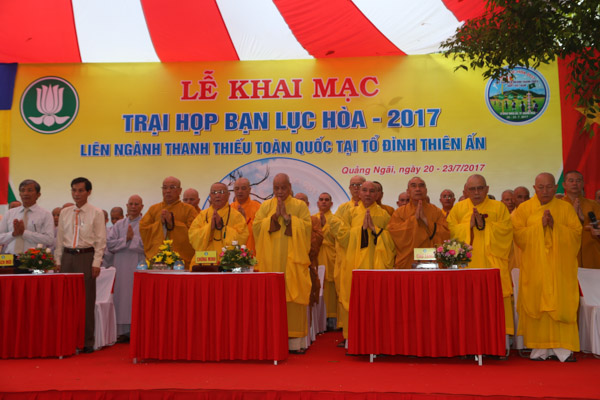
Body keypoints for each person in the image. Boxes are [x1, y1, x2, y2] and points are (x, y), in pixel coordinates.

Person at [512, 173, 581, 362]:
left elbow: (576, 235)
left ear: (556, 188)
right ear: (534, 188)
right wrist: (539, 227)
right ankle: (539, 348)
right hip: (535, 266)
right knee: (537, 302)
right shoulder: (524, 209)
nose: (545, 191)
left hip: (560, 268)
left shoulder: (565, 208)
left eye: (549, 187)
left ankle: (563, 349)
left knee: (560, 302)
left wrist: (555, 226)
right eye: (541, 187)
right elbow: (518, 235)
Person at [447, 174, 514, 336]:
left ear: (487, 189)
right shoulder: (458, 208)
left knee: (494, 304)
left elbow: (507, 231)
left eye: (480, 188)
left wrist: (485, 225)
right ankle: (469, 338)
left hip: (492, 264)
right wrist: (468, 226)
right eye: (472, 189)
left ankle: (498, 340)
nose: (476, 192)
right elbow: (450, 231)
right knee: (468, 304)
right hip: (467, 266)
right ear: (466, 190)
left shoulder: (499, 207)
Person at [253, 173, 312, 353]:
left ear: (290, 187)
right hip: (270, 261)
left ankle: (295, 343)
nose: (280, 191)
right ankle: (272, 339)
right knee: (272, 299)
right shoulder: (265, 206)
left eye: (283, 188)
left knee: (294, 297)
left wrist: (288, 218)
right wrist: (272, 218)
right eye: (276, 188)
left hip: (293, 261)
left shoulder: (300, 206)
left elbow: (307, 228)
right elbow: (256, 227)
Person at [337, 181, 395, 343]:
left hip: (376, 264)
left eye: (372, 191)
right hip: (354, 262)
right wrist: (360, 230)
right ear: (359, 193)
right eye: (364, 190)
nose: (368, 194)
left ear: (377, 194)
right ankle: (352, 338)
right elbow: (342, 237)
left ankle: (376, 338)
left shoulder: (384, 215)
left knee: (376, 301)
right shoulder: (350, 213)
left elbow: (391, 241)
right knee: (354, 298)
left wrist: (376, 230)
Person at [55, 177, 106, 353]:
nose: (76, 194)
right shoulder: (65, 212)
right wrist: (58, 260)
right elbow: (59, 239)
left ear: (88, 192)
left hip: (86, 256)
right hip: (67, 257)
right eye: (74, 190)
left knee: (86, 300)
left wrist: (96, 262)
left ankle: (86, 341)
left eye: (80, 191)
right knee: (65, 301)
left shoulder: (96, 212)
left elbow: (100, 241)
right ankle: (66, 339)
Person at [106, 195, 145, 342]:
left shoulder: (146, 224)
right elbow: (110, 244)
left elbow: (148, 245)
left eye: (136, 204)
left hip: (138, 265)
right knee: (121, 296)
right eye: (131, 204)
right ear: (127, 206)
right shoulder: (119, 225)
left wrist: (132, 239)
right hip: (121, 265)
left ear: (142, 207)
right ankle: (121, 331)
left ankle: (137, 329)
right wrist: (126, 239)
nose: (133, 207)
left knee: (136, 296)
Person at [388, 177, 450, 269]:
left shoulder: (436, 211)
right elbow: (393, 233)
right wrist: (414, 220)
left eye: (421, 186)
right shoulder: (399, 212)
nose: (418, 189)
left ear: (426, 190)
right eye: (414, 186)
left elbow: (445, 234)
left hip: (432, 260)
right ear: (408, 191)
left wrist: (426, 221)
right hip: (408, 260)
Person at [139, 176, 198, 268]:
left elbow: (194, 234)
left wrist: (173, 223)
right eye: (165, 188)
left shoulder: (189, 210)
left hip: (181, 262)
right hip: (158, 261)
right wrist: (160, 224)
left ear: (180, 191)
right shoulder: (153, 209)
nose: (168, 191)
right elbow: (143, 228)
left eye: (172, 187)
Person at [188, 182, 248, 266]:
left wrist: (222, 227)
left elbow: (242, 237)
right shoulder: (202, 215)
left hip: (228, 261)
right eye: (214, 192)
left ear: (228, 195)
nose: (217, 195)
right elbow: (192, 236)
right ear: (210, 195)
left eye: (221, 192)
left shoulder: (236, 216)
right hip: (204, 260)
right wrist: (209, 227)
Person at [0, 179, 54, 254]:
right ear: (20, 194)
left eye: (30, 190)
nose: (25, 193)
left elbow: (49, 239)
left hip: (33, 258)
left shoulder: (46, 214)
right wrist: (13, 234)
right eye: (22, 190)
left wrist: (24, 233)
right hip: (10, 257)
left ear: (38, 195)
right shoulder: (10, 213)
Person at [314, 192, 343, 329]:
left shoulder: (336, 220)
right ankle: (317, 321)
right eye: (321, 199)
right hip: (316, 256)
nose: (324, 202)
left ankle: (331, 320)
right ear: (317, 203)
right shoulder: (312, 219)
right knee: (317, 286)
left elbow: (339, 239)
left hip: (330, 256)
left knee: (330, 288)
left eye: (326, 200)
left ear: (331, 203)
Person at [561, 170, 600, 269]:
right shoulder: (558, 206)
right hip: (567, 257)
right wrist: (573, 216)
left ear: (583, 184)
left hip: (592, 256)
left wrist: (584, 219)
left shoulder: (593, 205)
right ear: (564, 185)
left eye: (578, 181)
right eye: (571, 181)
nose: (575, 183)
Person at [295, 193, 323, 309]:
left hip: (308, 261)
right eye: (297, 201)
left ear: (307, 204)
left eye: (302, 200)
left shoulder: (314, 220)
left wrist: (305, 238)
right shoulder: (289, 220)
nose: (300, 203)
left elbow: (319, 238)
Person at [230, 177, 261, 254]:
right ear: (234, 191)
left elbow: (261, 230)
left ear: (249, 190)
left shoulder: (258, 207)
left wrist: (245, 219)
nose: (240, 191)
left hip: (253, 252)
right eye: (237, 189)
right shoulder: (229, 209)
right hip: (233, 254)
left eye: (243, 188)